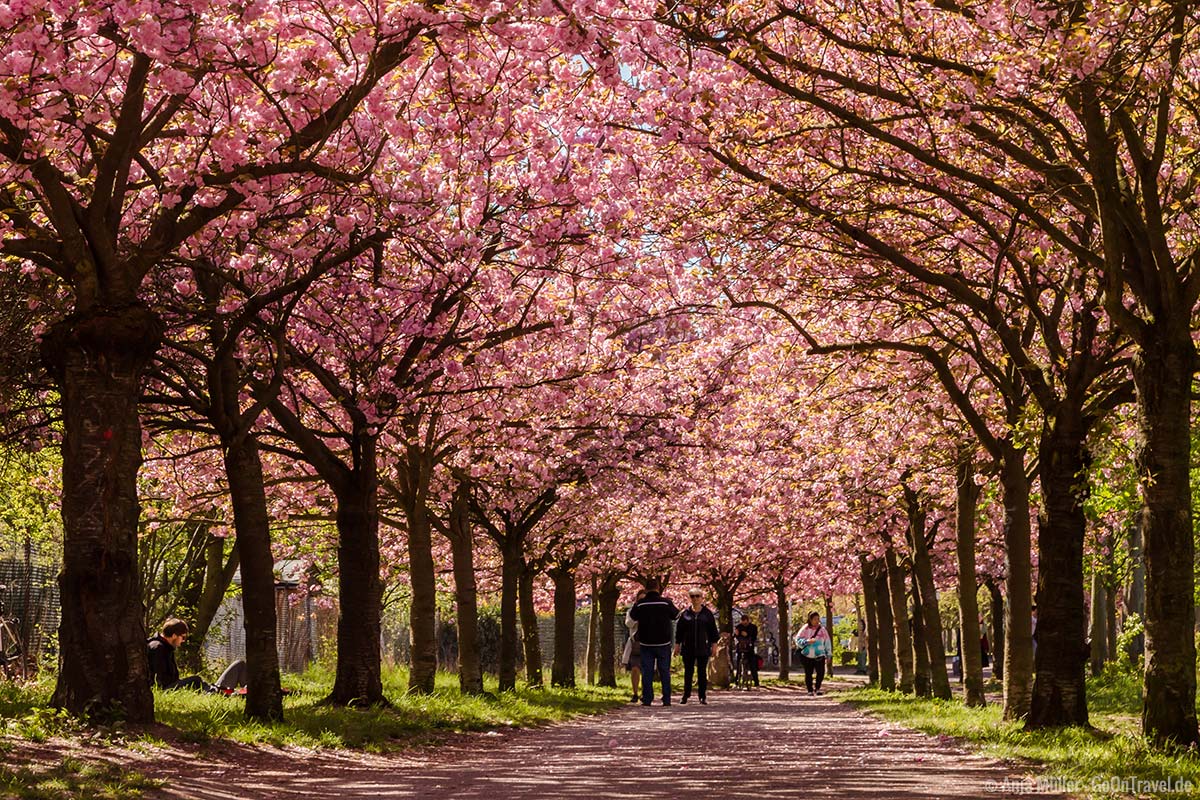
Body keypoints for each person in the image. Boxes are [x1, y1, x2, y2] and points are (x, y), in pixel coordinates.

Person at [147, 618, 245, 693]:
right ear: (174, 635)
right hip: (166, 689)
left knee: (239, 665)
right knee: (195, 680)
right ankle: (219, 692)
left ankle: (225, 691)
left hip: (173, 686)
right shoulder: (157, 648)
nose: (183, 641)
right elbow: (160, 681)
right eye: (183, 637)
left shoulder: (167, 648)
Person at [628, 580, 679, 706]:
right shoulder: (666, 602)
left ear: (646, 589)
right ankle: (666, 699)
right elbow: (676, 615)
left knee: (647, 672)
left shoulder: (640, 604)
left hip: (646, 643)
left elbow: (633, 617)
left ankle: (647, 698)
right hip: (663, 642)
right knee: (664, 671)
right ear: (658, 588)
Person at [674, 588, 719, 704]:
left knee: (701, 672)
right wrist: (677, 645)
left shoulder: (707, 614)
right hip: (688, 647)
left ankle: (702, 695)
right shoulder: (685, 614)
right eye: (692, 596)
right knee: (688, 671)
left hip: (703, 647)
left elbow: (713, 631)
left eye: (697, 596)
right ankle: (686, 694)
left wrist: (714, 645)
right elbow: (679, 631)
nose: (695, 599)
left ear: (701, 598)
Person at [794, 611, 832, 696]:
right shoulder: (805, 628)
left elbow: (827, 642)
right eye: (815, 619)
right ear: (810, 619)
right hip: (807, 655)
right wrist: (807, 641)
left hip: (820, 654)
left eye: (818, 619)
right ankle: (810, 690)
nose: (817, 621)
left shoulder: (822, 630)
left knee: (821, 672)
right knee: (808, 673)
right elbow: (798, 640)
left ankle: (817, 688)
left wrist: (829, 654)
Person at [622, 590, 646, 703]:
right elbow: (628, 623)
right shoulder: (632, 611)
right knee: (635, 669)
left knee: (647, 670)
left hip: (648, 644)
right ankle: (635, 693)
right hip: (635, 644)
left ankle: (645, 692)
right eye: (640, 599)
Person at [733, 612, 759, 687]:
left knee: (753, 666)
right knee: (738, 666)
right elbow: (735, 636)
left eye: (745, 622)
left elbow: (754, 637)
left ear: (748, 621)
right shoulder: (738, 627)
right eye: (743, 622)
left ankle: (756, 682)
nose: (744, 624)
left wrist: (747, 635)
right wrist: (736, 634)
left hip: (749, 648)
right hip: (740, 648)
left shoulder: (753, 627)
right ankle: (737, 681)